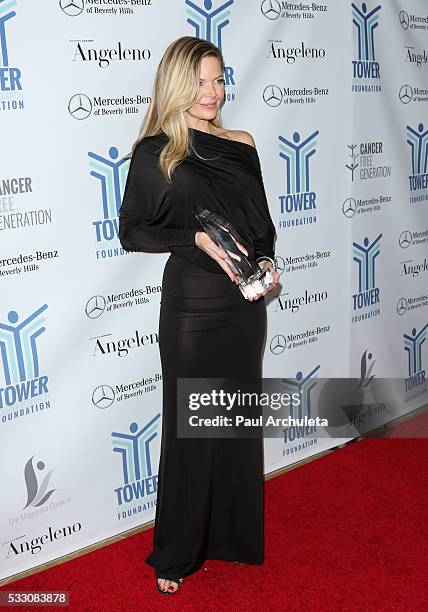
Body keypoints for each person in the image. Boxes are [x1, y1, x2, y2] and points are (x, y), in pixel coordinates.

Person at [118, 35, 280, 595]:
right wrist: (193, 237)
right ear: (176, 84)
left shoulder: (241, 141)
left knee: (233, 419)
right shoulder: (156, 150)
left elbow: (262, 225)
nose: (211, 92)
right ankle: (177, 551)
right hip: (191, 305)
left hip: (242, 305)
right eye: (200, 82)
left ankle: (230, 536)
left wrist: (266, 263)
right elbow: (133, 230)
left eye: (218, 79)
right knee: (191, 428)